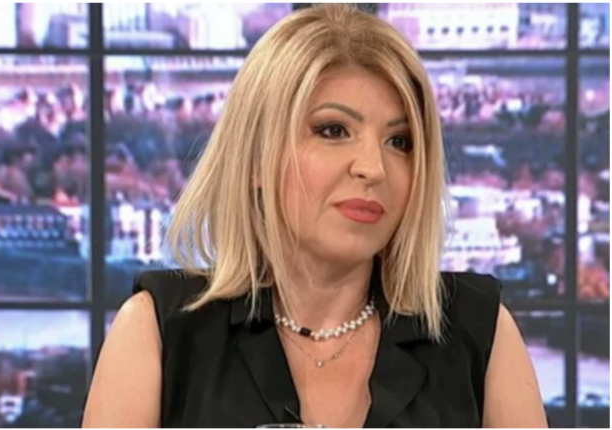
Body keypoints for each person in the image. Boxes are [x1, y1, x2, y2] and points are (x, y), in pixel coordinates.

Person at [82, 4, 548, 428]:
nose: (373, 168)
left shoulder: (478, 332)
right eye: (333, 130)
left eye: (400, 141)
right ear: (256, 157)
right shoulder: (159, 332)